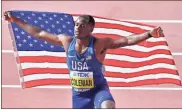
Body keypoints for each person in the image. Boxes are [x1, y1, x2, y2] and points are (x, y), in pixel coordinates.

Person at [3, 11, 163, 109]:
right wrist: (16, 20)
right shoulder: (66, 41)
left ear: (91, 28)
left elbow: (126, 40)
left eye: (82, 25)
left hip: (98, 90)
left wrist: (149, 34)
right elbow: (38, 33)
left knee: (108, 106)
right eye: (77, 24)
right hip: (79, 95)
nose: (77, 27)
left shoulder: (100, 44)